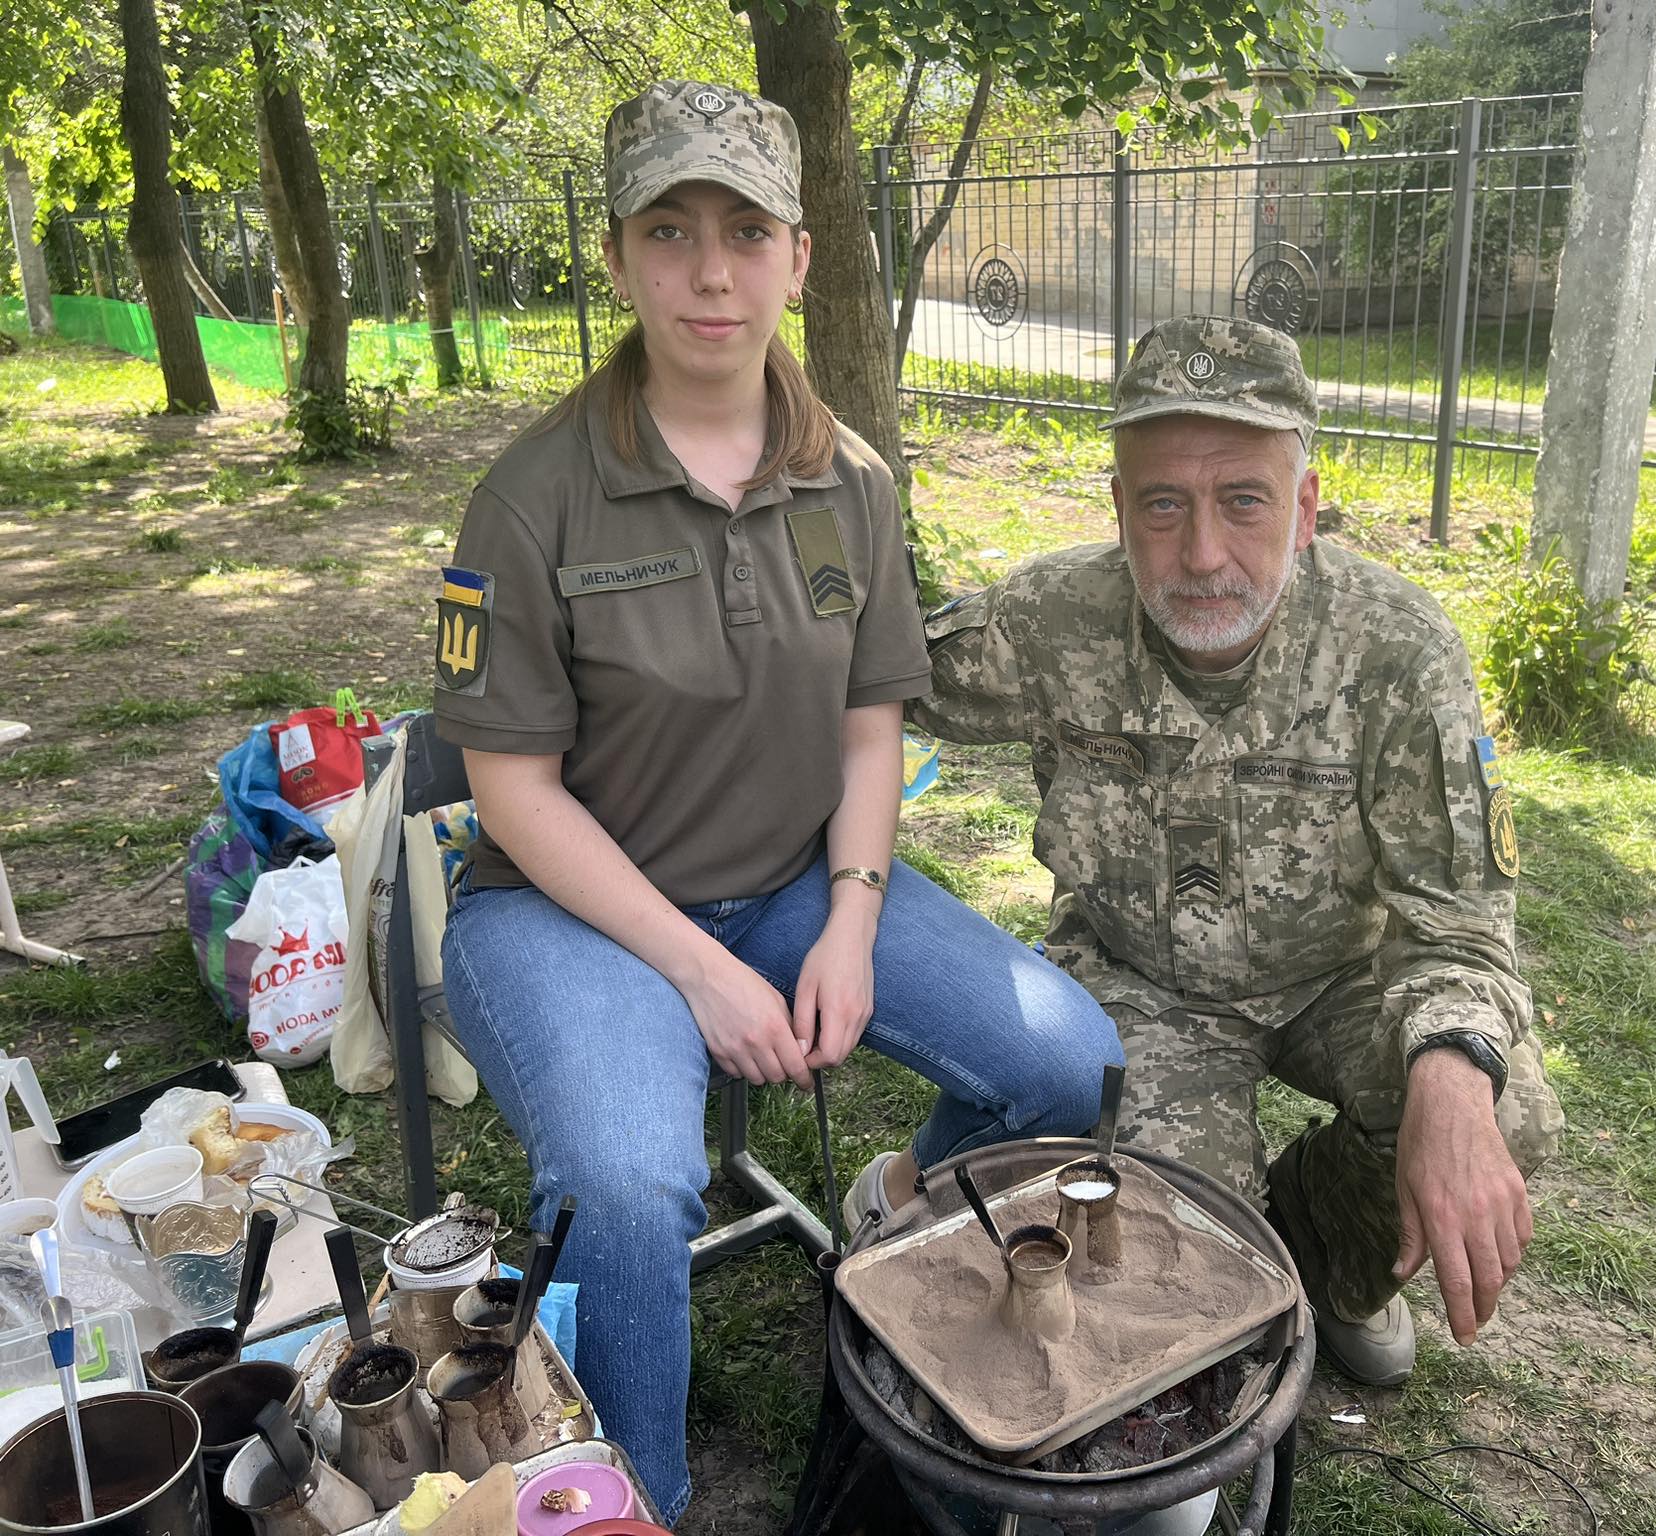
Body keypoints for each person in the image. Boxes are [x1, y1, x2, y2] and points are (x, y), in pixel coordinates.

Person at [431, 80, 1122, 1521]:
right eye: (669, 230)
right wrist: (695, 970)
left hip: (798, 883)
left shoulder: (852, 481)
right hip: (573, 915)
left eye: (746, 231)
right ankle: (640, 1505)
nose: (708, 270)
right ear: (616, 258)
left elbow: (873, 728)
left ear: (800, 258)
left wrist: (853, 928)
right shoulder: (530, 499)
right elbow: (510, 791)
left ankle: (904, 1252)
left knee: (1067, 1060)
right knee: (625, 1186)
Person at [908, 315, 1565, 1387]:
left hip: (1332, 982)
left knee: (1497, 1104)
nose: (1201, 553)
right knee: (1168, 1255)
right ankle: (1242, 1271)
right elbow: (863, 667)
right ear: (1119, 509)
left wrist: (1448, 1080)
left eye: (1242, 501)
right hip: (1140, 987)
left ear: (1303, 510)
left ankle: (1318, 1270)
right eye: (1161, 504)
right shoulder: (1052, 618)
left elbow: (1457, 920)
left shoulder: (1397, 653)